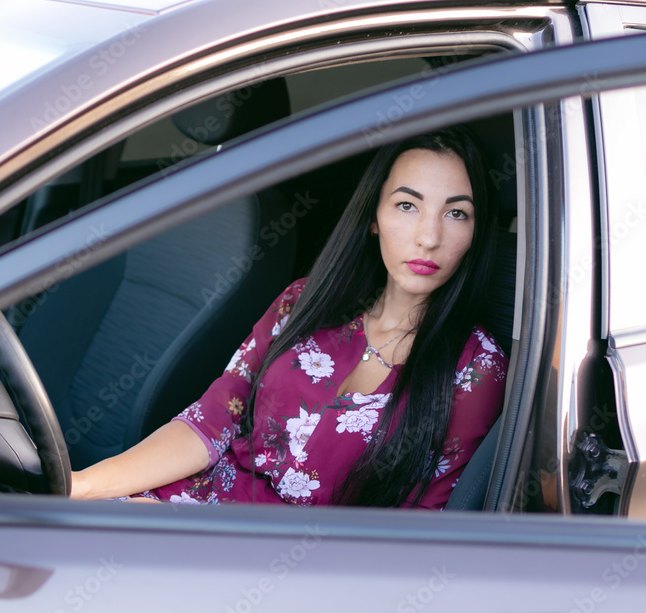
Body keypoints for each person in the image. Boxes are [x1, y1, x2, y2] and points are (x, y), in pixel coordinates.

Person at [70, 126, 508, 509]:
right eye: (407, 206)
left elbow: (421, 529)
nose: (429, 237)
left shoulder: (475, 368)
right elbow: (210, 421)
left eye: (456, 213)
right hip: (193, 506)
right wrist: (79, 487)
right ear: (373, 217)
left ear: (474, 232)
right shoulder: (303, 302)